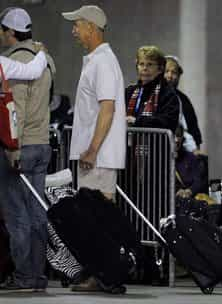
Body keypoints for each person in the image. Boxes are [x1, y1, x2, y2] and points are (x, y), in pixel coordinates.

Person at [62, 4, 127, 292]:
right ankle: (101, 272)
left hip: (97, 156)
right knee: (95, 219)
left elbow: (108, 109)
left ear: (91, 27)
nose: (73, 30)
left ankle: (103, 274)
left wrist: (91, 149)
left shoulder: (103, 62)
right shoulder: (96, 60)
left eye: (77, 24)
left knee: (96, 219)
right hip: (95, 155)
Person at [0, 7, 54, 292]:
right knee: (36, 213)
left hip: (21, 146)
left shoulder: (15, 62)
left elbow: (14, 110)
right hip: (42, 143)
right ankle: (37, 276)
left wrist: (13, 146)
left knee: (17, 214)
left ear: (10, 32)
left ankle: (24, 277)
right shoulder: (43, 60)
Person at [125, 46, 179, 132]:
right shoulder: (129, 92)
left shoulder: (168, 94)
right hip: (129, 144)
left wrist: (137, 122)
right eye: (141, 64)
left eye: (150, 64)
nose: (145, 68)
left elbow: (168, 122)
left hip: (157, 145)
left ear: (160, 69)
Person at [164, 55, 203, 150]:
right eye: (166, 71)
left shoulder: (184, 100)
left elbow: (193, 131)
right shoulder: (151, 96)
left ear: (179, 76)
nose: (170, 76)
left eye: (174, 72)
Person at [175, 126, 207, 199]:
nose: (176, 139)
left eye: (179, 135)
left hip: (190, 198)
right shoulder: (161, 159)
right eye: (173, 135)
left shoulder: (190, 157)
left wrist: (190, 191)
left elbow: (198, 181)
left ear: (183, 139)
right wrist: (176, 191)